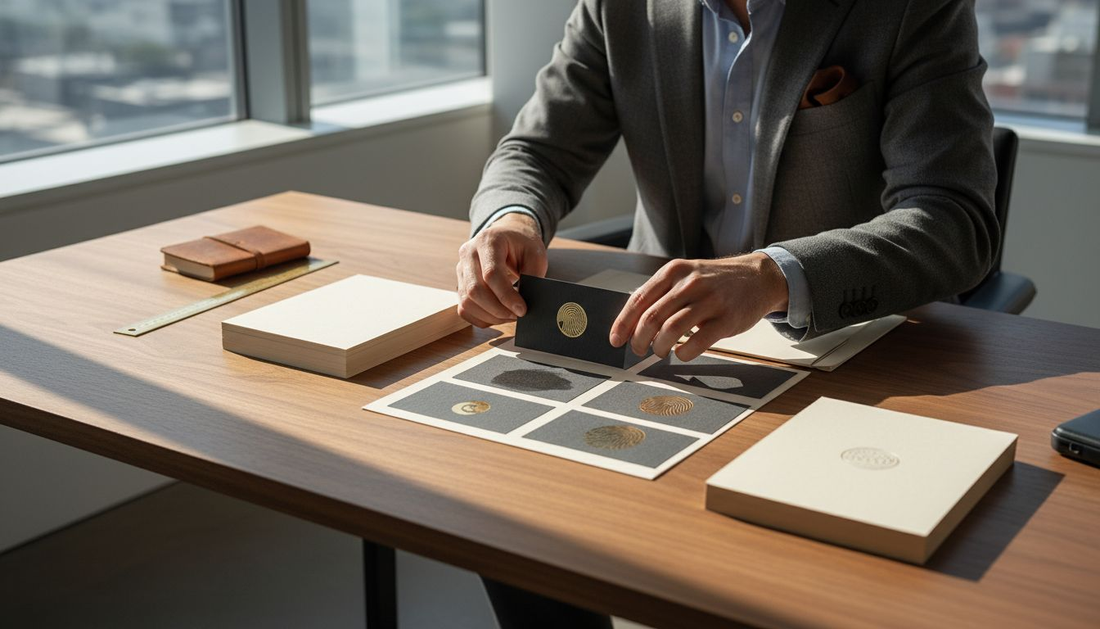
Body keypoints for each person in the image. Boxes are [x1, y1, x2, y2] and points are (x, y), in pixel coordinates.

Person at [459, 0, 997, 625]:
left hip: (841, 376)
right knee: (516, 518)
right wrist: (510, 218)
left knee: (776, 589)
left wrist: (772, 275)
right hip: (650, 356)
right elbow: (537, 151)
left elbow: (954, 220)